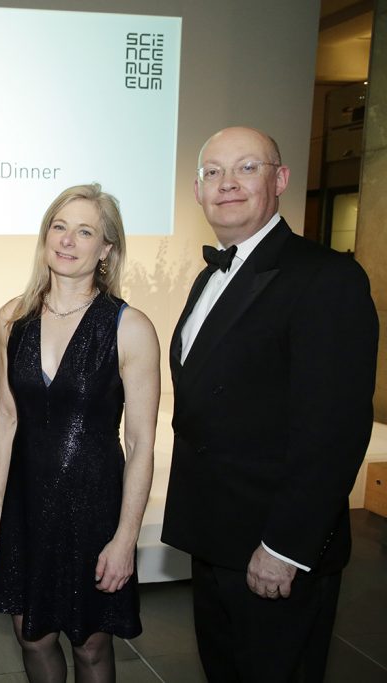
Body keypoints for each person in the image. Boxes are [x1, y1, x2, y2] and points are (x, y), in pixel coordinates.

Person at [162, 126, 378, 681]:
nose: (227, 184)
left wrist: (285, 547)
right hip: (215, 537)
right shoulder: (211, 276)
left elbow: (333, 431)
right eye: (213, 172)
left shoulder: (326, 277)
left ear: (280, 179)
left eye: (246, 168)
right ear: (197, 190)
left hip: (273, 547)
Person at [0, 184, 159, 682]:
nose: (67, 240)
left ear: (106, 250)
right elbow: (7, 416)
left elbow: (141, 444)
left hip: (94, 510)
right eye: (59, 227)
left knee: (91, 646)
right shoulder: (12, 319)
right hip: (26, 505)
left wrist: (125, 538)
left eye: (84, 232)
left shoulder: (130, 327)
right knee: (31, 636)